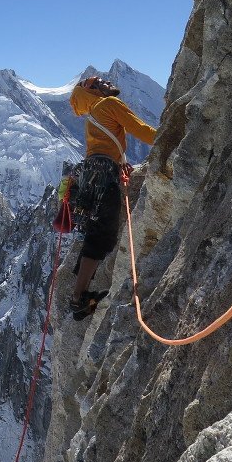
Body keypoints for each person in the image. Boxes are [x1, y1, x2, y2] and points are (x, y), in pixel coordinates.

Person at [66, 75, 157, 319]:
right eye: (99, 82)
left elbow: (102, 149)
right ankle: (78, 298)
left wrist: (119, 165)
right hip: (105, 175)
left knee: (96, 234)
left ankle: (80, 295)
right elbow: (143, 131)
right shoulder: (109, 105)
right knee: (102, 235)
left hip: (91, 175)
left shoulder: (92, 115)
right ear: (92, 91)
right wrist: (171, 138)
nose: (106, 82)